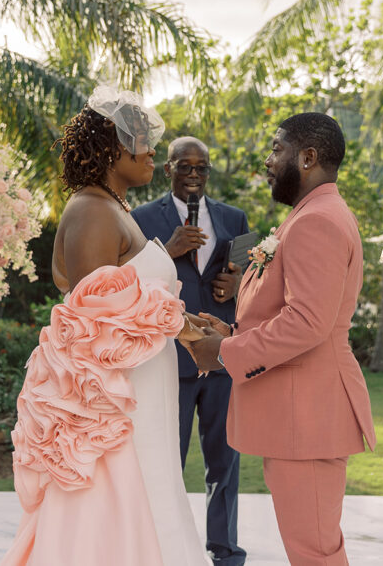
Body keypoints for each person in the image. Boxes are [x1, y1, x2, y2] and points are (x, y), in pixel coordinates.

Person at [1, 86, 209, 566]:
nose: (153, 152)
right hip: (116, 398)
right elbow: (94, 317)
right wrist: (187, 331)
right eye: (142, 141)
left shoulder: (114, 208)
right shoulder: (93, 209)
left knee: (156, 485)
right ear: (112, 149)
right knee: (117, 501)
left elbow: (131, 298)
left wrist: (191, 323)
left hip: (144, 384)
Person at [183, 112, 377, 566]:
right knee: (313, 547)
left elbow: (308, 321)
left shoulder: (318, 221)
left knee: (315, 553)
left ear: (307, 157)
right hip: (300, 417)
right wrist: (228, 331)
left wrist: (227, 352)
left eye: (276, 149)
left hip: (308, 417)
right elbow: (298, 314)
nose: (268, 160)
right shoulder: (310, 214)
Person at [131, 137, 249, 566]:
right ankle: (164, 549)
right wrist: (169, 248)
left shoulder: (234, 217)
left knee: (225, 461)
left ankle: (226, 551)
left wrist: (237, 285)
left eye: (202, 168)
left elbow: (249, 272)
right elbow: (129, 280)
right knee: (167, 462)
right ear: (168, 169)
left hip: (220, 355)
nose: (194, 175)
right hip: (170, 356)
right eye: (185, 167)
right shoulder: (141, 219)